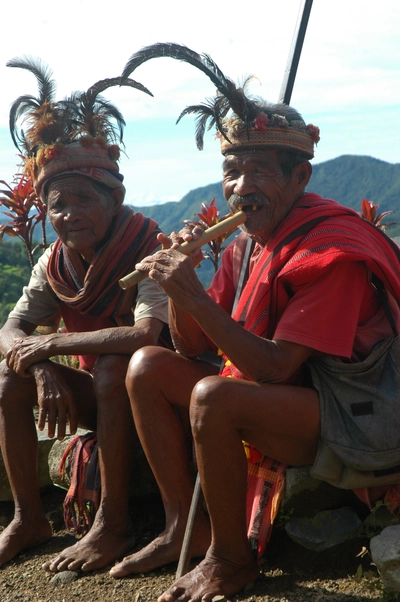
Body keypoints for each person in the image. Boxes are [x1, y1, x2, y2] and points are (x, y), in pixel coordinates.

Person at [106, 44, 400, 600]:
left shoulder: (332, 251)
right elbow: (195, 345)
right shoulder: (247, 246)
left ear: (300, 178)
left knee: (214, 398)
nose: (241, 187)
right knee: (147, 365)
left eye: (259, 172)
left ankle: (230, 559)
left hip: (355, 413)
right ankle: (181, 530)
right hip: (290, 399)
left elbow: (277, 369)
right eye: (232, 171)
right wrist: (180, 286)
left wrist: (195, 295)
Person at [0, 57, 170, 571]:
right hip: (99, 396)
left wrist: (52, 345)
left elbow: (145, 334)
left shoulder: (148, 245)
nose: (68, 214)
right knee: (9, 381)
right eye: (56, 205)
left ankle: (113, 525)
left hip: (157, 398)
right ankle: (28, 517)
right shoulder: (56, 264)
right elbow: (10, 329)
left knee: (118, 365)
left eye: (82, 199)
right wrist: (40, 365)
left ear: (113, 198)